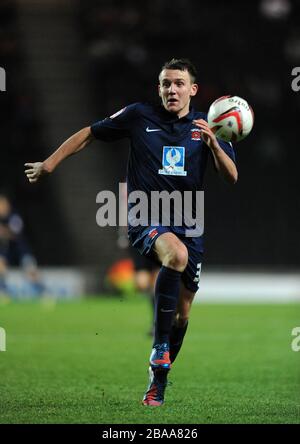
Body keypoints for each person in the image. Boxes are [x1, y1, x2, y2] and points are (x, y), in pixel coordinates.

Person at [25, 58, 238, 407]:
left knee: (183, 313)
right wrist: (50, 163)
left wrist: (214, 144)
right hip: (146, 215)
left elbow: (231, 177)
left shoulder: (207, 127)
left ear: (192, 89)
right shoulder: (140, 115)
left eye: (178, 83)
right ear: (159, 88)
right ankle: (159, 346)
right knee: (176, 256)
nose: (172, 89)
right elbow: (89, 134)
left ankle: (158, 379)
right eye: (166, 83)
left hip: (190, 223)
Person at [0, 193, 43, 298]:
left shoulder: (14, 216)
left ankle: (43, 292)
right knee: (0, 266)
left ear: (7, 205)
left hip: (21, 249)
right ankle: (3, 292)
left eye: (3, 204)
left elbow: (15, 233)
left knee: (31, 271)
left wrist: (3, 231)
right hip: (7, 250)